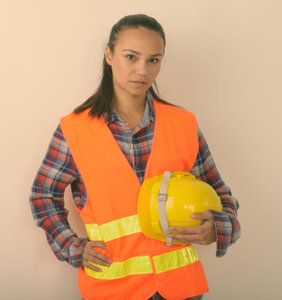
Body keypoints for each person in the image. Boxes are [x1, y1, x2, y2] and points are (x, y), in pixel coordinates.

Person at [29, 14, 240, 300]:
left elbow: (222, 196)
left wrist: (218, 227)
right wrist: (73, 247)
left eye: (153, 60)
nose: (142, 70)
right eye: (131, 57)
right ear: (109, 55)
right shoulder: (74, 130)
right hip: (112, 291)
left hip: (181, 290)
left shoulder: (183, 123)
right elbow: (42, 196)